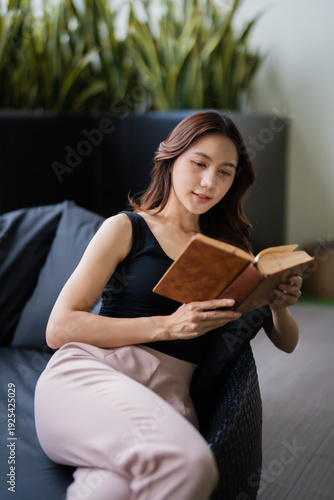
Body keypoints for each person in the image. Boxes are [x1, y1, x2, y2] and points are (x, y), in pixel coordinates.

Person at [34, 111, 302, 500]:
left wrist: (280, 305)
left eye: (225, 172)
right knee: (190, 465)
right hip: (91, 375)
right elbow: (58, 329)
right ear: (171, 159)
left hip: (167, 398)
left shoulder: (233, 253)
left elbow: (288, 343)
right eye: (199, 163)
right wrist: (168, 326)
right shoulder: (127, 228)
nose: (210, 182)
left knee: (108, 492)